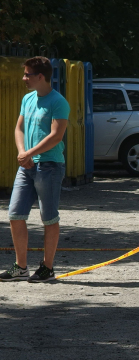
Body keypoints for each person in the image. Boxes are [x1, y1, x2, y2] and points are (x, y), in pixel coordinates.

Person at [1, 57, 70, 283]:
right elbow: (19, 127)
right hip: (27, 166)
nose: (24, 78)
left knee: (48, 218)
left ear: (40, 76)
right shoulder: (28, 99)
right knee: (15, 214)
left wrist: (29, 154)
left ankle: (47, 268)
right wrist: (23, 153)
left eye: (27, 74)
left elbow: (56, 136)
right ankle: (21, 267)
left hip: (49, 166)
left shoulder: (58, 102)